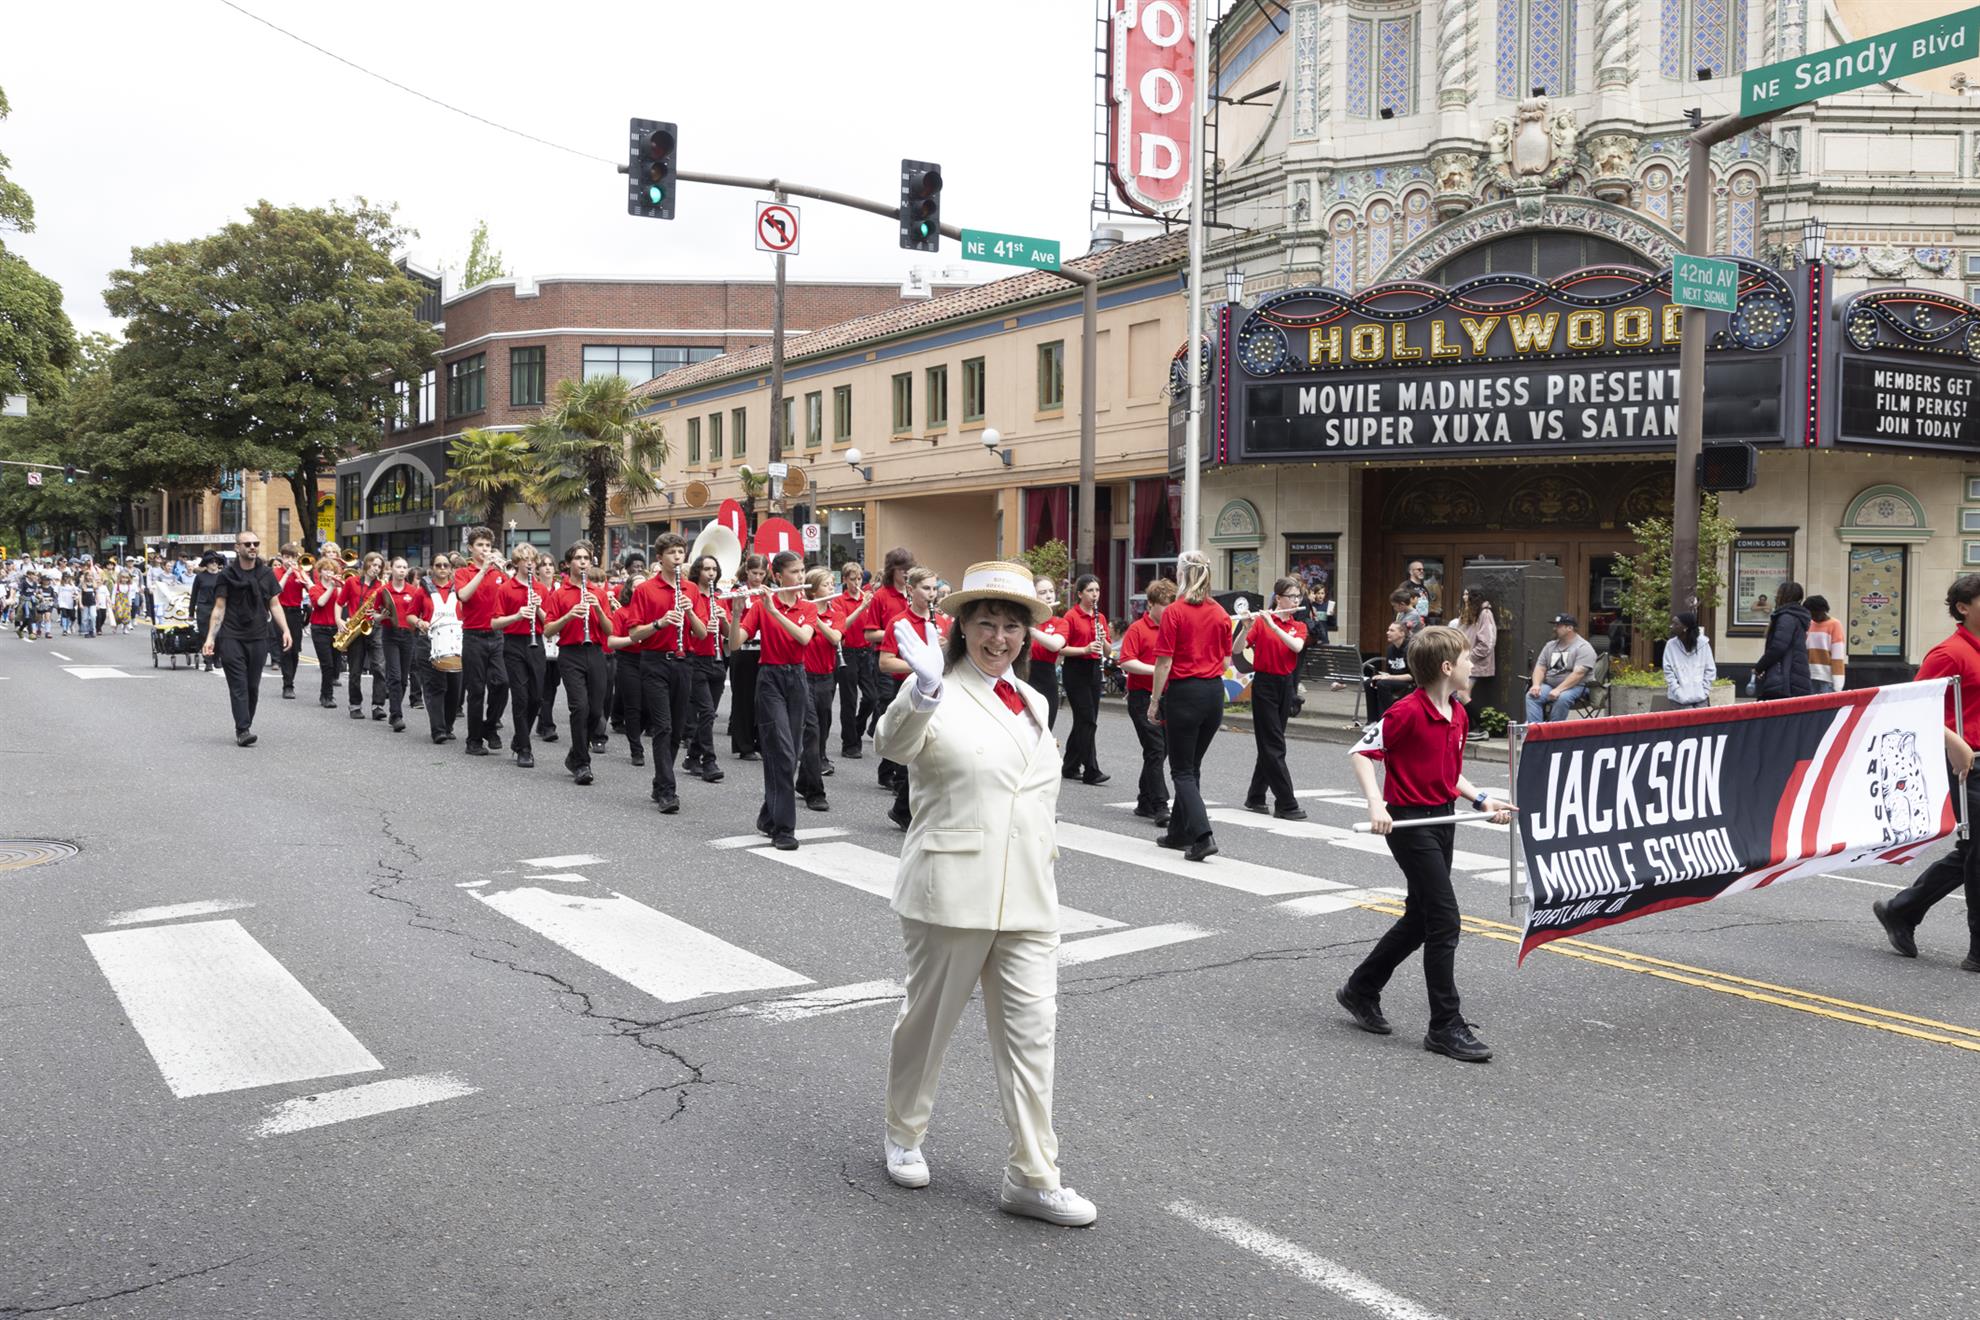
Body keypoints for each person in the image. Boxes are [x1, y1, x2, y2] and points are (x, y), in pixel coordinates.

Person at [876, 560, 1097, 1228]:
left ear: (1026, 634)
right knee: (928, 1024)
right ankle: (904, 1132)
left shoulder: (1032, 700)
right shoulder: (936, 687)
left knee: (1033, 1038)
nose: (999, 638)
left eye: (1011, 626)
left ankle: (1032, 1175)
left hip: (1028, 892)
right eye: (986, 623)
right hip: (952, 888)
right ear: (963, 626)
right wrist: (922, 691)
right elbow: (893, 745)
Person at [1336, 625, 1514, 1061]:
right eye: (1468, 659)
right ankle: (1444, 1025)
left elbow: (1448, 772)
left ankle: (1360, 988)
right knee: (1444, 920)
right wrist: (1376, 805)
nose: (1473, 665)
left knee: (1420, 918)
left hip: (1442, 819)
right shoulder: (1406, 712)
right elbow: (1362, 753)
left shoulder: (1457, 714)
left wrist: (1482, 800)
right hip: (1410, 824)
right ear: (1447, 667)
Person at [1873, 575, 1980, 972]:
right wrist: (1954, 741)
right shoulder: (1949, 653)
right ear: (1963, 607)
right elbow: (1912, 706)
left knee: (1971, 851)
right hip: (1963, 765)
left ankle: (1902, 910)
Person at [1149, 549, 1232, 863]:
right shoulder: (1221, 613)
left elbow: (1164, 663)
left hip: (1185, 692)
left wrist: (1154, 701)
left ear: (1181, 574)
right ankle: (1178, 833)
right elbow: (1227, 661)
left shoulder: (1175, 611)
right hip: (1213, 693)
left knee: (1181, 770)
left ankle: (1202, 835)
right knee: (1192, 766)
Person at [738, 551, 818, 850]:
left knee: (791, 754)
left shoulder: (807, 606)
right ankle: (784, 829)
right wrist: (735, 614)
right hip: (770, 678)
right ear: (778, 576)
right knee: (782, 753)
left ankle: (768, 815)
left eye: (802, 571)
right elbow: (735, 642)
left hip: (797, 677)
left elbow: (803, 638)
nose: (800, 577)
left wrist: (774, 612)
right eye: (795, 572)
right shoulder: (760, 606)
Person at [624, 533, 699, 810]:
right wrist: (660, 623)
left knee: (677, 729)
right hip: (654, 661)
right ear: (659, 558)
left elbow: (702, 633)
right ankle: (668, 791)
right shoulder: (645, 590)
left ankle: (660, 782)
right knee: (663, 727)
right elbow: (634, 634)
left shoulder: (691, 589)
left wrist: (690, 613)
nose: (677, 557)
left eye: (681, 552)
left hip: (684, 661)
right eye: (671, 553)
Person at [200, 531, 293, 746]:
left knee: (252, 686)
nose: (252, 547)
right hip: (232, 636)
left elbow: (275, 604)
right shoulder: (227, 575)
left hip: (259, 635)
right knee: (239, 685)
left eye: (256, 543)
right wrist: (210, 638)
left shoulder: (266, 574)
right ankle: (243, 730)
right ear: (237, 547)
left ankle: (245, 723)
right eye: (247, 543)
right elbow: (219, 608)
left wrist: (285, 630)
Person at [877, 567, 953, 831]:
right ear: (911, 590)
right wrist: (921, 665)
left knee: (934, 750)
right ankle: (904, 808)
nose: (932, 594)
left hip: (941, 691)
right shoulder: (900, 622)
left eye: (934, 589)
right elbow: (885, 663)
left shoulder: (942, 621)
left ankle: (905, 808)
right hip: (909, 690)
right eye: (926, 588)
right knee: (915, 750)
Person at [544, 541, 617, 785]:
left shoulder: (599, 593)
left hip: (595, 652)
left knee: (596, 711)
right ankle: (582, 763)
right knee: (580, 707)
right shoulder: (559, 594)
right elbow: (548, 630)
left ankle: (575, 754)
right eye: (578, 558)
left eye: (586, 558)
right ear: (568, 563)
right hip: (570, 653)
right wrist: (568, 615)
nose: (583, 562)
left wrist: (598, 610)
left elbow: (610, 630)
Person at [1238, 577, 1308, 821]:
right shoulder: (1261, 622)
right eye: (1291, 596)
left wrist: (1275, 626)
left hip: (1286, 685)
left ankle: (1256, 796)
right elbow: (1237, 650)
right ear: (1278, 598)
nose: (1296, 601)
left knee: (1270, 743)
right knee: (1274, 744)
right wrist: (1245, 627)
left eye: (1298, 596)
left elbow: (1296, 647)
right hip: (1265, 685)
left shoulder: (1299, 625)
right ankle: (1286, 803)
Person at [1118, 579, 1174, 827]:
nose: (1169, 610)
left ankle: (1144, 800)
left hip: (1168, 696)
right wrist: (1157, 670)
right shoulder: (1137, 629)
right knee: (1155, 750)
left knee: (1162, 751)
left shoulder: (1173, 628)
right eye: (1164, 605)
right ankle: (1161, 805)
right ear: (1151, 604)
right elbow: (1126, 661)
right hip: (1142, 696)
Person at [454, 529, 512, 757]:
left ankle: (490, 725)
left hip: (497, 636)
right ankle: (474, 740)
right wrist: (483, 570)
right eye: (480, 545)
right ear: (470, 548)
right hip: (473, 636)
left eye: (488, 545)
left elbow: (512, 596)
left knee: (502, 683)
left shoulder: (499, 573)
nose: (485, 549)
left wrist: (506, 572)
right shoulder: (463, 572)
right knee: (476, 690)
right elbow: (464, 595)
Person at [493, 547, 551, 768]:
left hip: (536, 643)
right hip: (514, 643)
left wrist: (538, 608)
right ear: (516, 562)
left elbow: (550, 624)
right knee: (520, 698)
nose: (529, 563)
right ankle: (525, 749)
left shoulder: (540, 589)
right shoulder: (506, 588)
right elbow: (495, 623)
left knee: (536, 697)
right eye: (524, 559)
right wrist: (517, 615)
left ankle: (519, 737)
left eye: (532, 560)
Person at [867, 547, 916, 785]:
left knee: (907, 716)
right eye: (901, 570)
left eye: (909, 569)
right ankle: (888, 771)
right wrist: (897, 628)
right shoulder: (881, 596)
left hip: (910, 661)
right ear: (891, 570)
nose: (906, 574)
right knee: (891, 711)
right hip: (886, 660)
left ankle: (896, 772)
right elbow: (869, 634)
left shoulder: (914, 595)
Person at [681, 552, 729, 784]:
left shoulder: (719, 598)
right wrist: (701, 626)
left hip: (717, 660)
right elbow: (686, 630)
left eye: (714, 569)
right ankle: (709, 761)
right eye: (706, 569)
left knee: (708, 715)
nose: (711, 573)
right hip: (696, 659)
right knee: (708, 712)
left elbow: (728, 633)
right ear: (698, 571)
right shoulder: (690, 596)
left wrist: (724, 619)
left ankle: (692, 757)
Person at [797, 567, 841, 813]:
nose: (831, 588)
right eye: (826, 585)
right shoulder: (802, 612)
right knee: (812, 732)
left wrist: (817, 618)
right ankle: (815, 791)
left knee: (822, 732)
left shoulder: (836, 613)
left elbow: (835, 638)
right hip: (804, 677)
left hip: (827, 678)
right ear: (813, 591)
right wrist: (810, 612)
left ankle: (804, 781)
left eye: (832, 584)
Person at [1058, 574, 1109, 786]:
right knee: (1087, 720)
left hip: (1094, 668)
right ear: (1080, 594)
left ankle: (1070, 766)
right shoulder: (1071, 616)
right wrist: (1084, 649)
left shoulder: (1100, 617)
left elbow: (1108, 650)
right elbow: (1060, 648)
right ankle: (1091, 770)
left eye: (1097, 590)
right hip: (1075, 668)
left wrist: (1102, 638)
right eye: (1090, 590)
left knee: (1084, 720)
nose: (1095, 594)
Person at [830, 560, 880, 759]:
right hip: (847, 652)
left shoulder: (867, 599)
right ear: (844, 580)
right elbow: (843, 625)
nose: (857, 583)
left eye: (859, 579)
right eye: (852, 579)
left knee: (872, 697)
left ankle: (857, 730)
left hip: (866, 653)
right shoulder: (838, 601)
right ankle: (849, 744)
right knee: (849, 701)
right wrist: (861, 608)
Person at [416, 555, 465, 744]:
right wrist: (420, 622)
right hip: (429, 643)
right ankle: (438, 729)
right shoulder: (422, 591)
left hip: (455, 644)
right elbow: (411, 615)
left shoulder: (460, 590)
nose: (442, 568)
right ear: (432, 568)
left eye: (446, 565)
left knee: (454, 689)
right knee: (435, 687)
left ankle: (447, 726)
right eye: (438, 565)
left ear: (451, 568)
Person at [376, 556, 426, 734]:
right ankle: (396, 714)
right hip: (390, 634)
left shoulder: (414, 591)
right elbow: (374, 615)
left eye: (405, 567)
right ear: (391, 569)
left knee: (404, 678)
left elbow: (421, 612)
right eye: (398, 567)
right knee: (395, 676)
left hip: (409, 635)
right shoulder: (383, 591)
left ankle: (394, 711)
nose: (402, 570)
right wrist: (382, 616)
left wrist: (421, 623)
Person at [728, 554, 768, 762]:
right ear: (747, 571)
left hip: (764, 649)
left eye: (761, 574)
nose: (758, 578)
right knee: (743, 697)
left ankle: (762, 742)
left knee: (764, 698)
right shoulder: (738, 592)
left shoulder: (768, 593)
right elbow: (731, 619)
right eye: (754, 573)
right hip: (743, 648)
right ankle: (744, 745)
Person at [1524, 614, 1594, 722]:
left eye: (1558, 626)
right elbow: (1540, 668)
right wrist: (1536, 685)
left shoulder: (1583, 647)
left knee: (1562, 698)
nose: (1554, 628)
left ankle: (1554, 730)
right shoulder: (1550, 646)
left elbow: (1578, 674)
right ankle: (1536, 730)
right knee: (1532, 695)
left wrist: (1558, 690)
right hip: (1550, 685)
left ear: (1570, 628)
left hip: (1578, 687)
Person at [1753, 581, 1813, 700]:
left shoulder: (1787, 617)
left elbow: (1778, 647)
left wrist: (1759, 667)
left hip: (1786, 678)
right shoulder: (1796, 616)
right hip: (1794, 676)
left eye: (1779, 593)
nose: (1776, 597)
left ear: (1786, 596)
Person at [1024, 577, 1068, 729]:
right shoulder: (1022, 620)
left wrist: (1030, 630)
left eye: (1051, 591)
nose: (1049, 596)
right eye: (1042, 592)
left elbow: (1055, 645)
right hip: (1022, 677)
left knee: (1045, 730)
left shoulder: (1060, 622)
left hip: (1046, 679)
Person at [305, 557, 344, 707]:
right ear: (320, 572)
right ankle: (327, 696)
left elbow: (344, 603)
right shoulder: (315, 588)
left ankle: (327, 693)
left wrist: (341, 587)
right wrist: (331, 588)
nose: (329, 573)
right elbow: (320, 603)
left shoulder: (337, 588)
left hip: (336, 629)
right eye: (326, 570)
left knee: (336, 664)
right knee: (327, 664)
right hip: (319, 629)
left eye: (332, 571)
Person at [1661, 612, 1716, 709]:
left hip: (1701, 700)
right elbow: (1668, 671)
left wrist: (1704, 691)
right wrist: (1677, 692)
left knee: (1701, 719)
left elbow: (1710, 669)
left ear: (1685, 628)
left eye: (1676, 624)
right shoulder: (1671, 645)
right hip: (1678, 700)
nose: (1671, 626)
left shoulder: (1703, 644)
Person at [1364, 620, 1414, 722]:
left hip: (1409, 682)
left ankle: (1388, 719)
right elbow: (1389, 672)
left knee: (1382, 684)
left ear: (1402, 633)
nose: (1387, 632)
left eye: (1392, 630)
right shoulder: (1390, 649)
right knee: (1370, 683)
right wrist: (1379, 676)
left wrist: (1388, 677)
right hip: (1393, 680)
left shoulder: (1410, 649)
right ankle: (1372, 721)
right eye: (1388, 630)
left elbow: (1412, 676)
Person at [1457, 588, 1497, 708]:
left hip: (1474, 663)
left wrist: (1468, 658)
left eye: (1467, 594)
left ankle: (1478, 718)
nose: (1464, 597)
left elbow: (1486, 643)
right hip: (1462, 661)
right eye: (1463, 594)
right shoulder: (1466, 613)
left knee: (1462, 694)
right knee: (1455, 694)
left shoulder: (1485, 613)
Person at [1806, 594, 1847, 693]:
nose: (1812, 617)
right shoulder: (1808, 624)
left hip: (1827, 677)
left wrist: (1838, 684)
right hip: (1809, 675)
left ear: (1823, 610)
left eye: (1814, 613)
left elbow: (1838, 655)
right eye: (1810, 614)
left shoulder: (1835, 624)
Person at [190, 554, 223, 671]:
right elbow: (194, 595)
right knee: (205, 634)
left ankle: (217, 658)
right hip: (204, 608)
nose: (214, 564)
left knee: (219, 635)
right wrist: (190, 613)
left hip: (219, 607)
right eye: (211, 562)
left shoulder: (222, 576)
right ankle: (208, 661)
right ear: (206, 564)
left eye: (216, 561)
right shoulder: (200, 577)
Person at [1308, 581, 1337, 646]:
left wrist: (1332, 615)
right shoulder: (1311, 606)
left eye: (1322, 593)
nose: (1320, 595)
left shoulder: (1327, 606)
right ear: (1314, 594)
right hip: (1313, 639)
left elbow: (1332, 624)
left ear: (1325, 594)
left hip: (1324, 638)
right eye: (1318, 593)